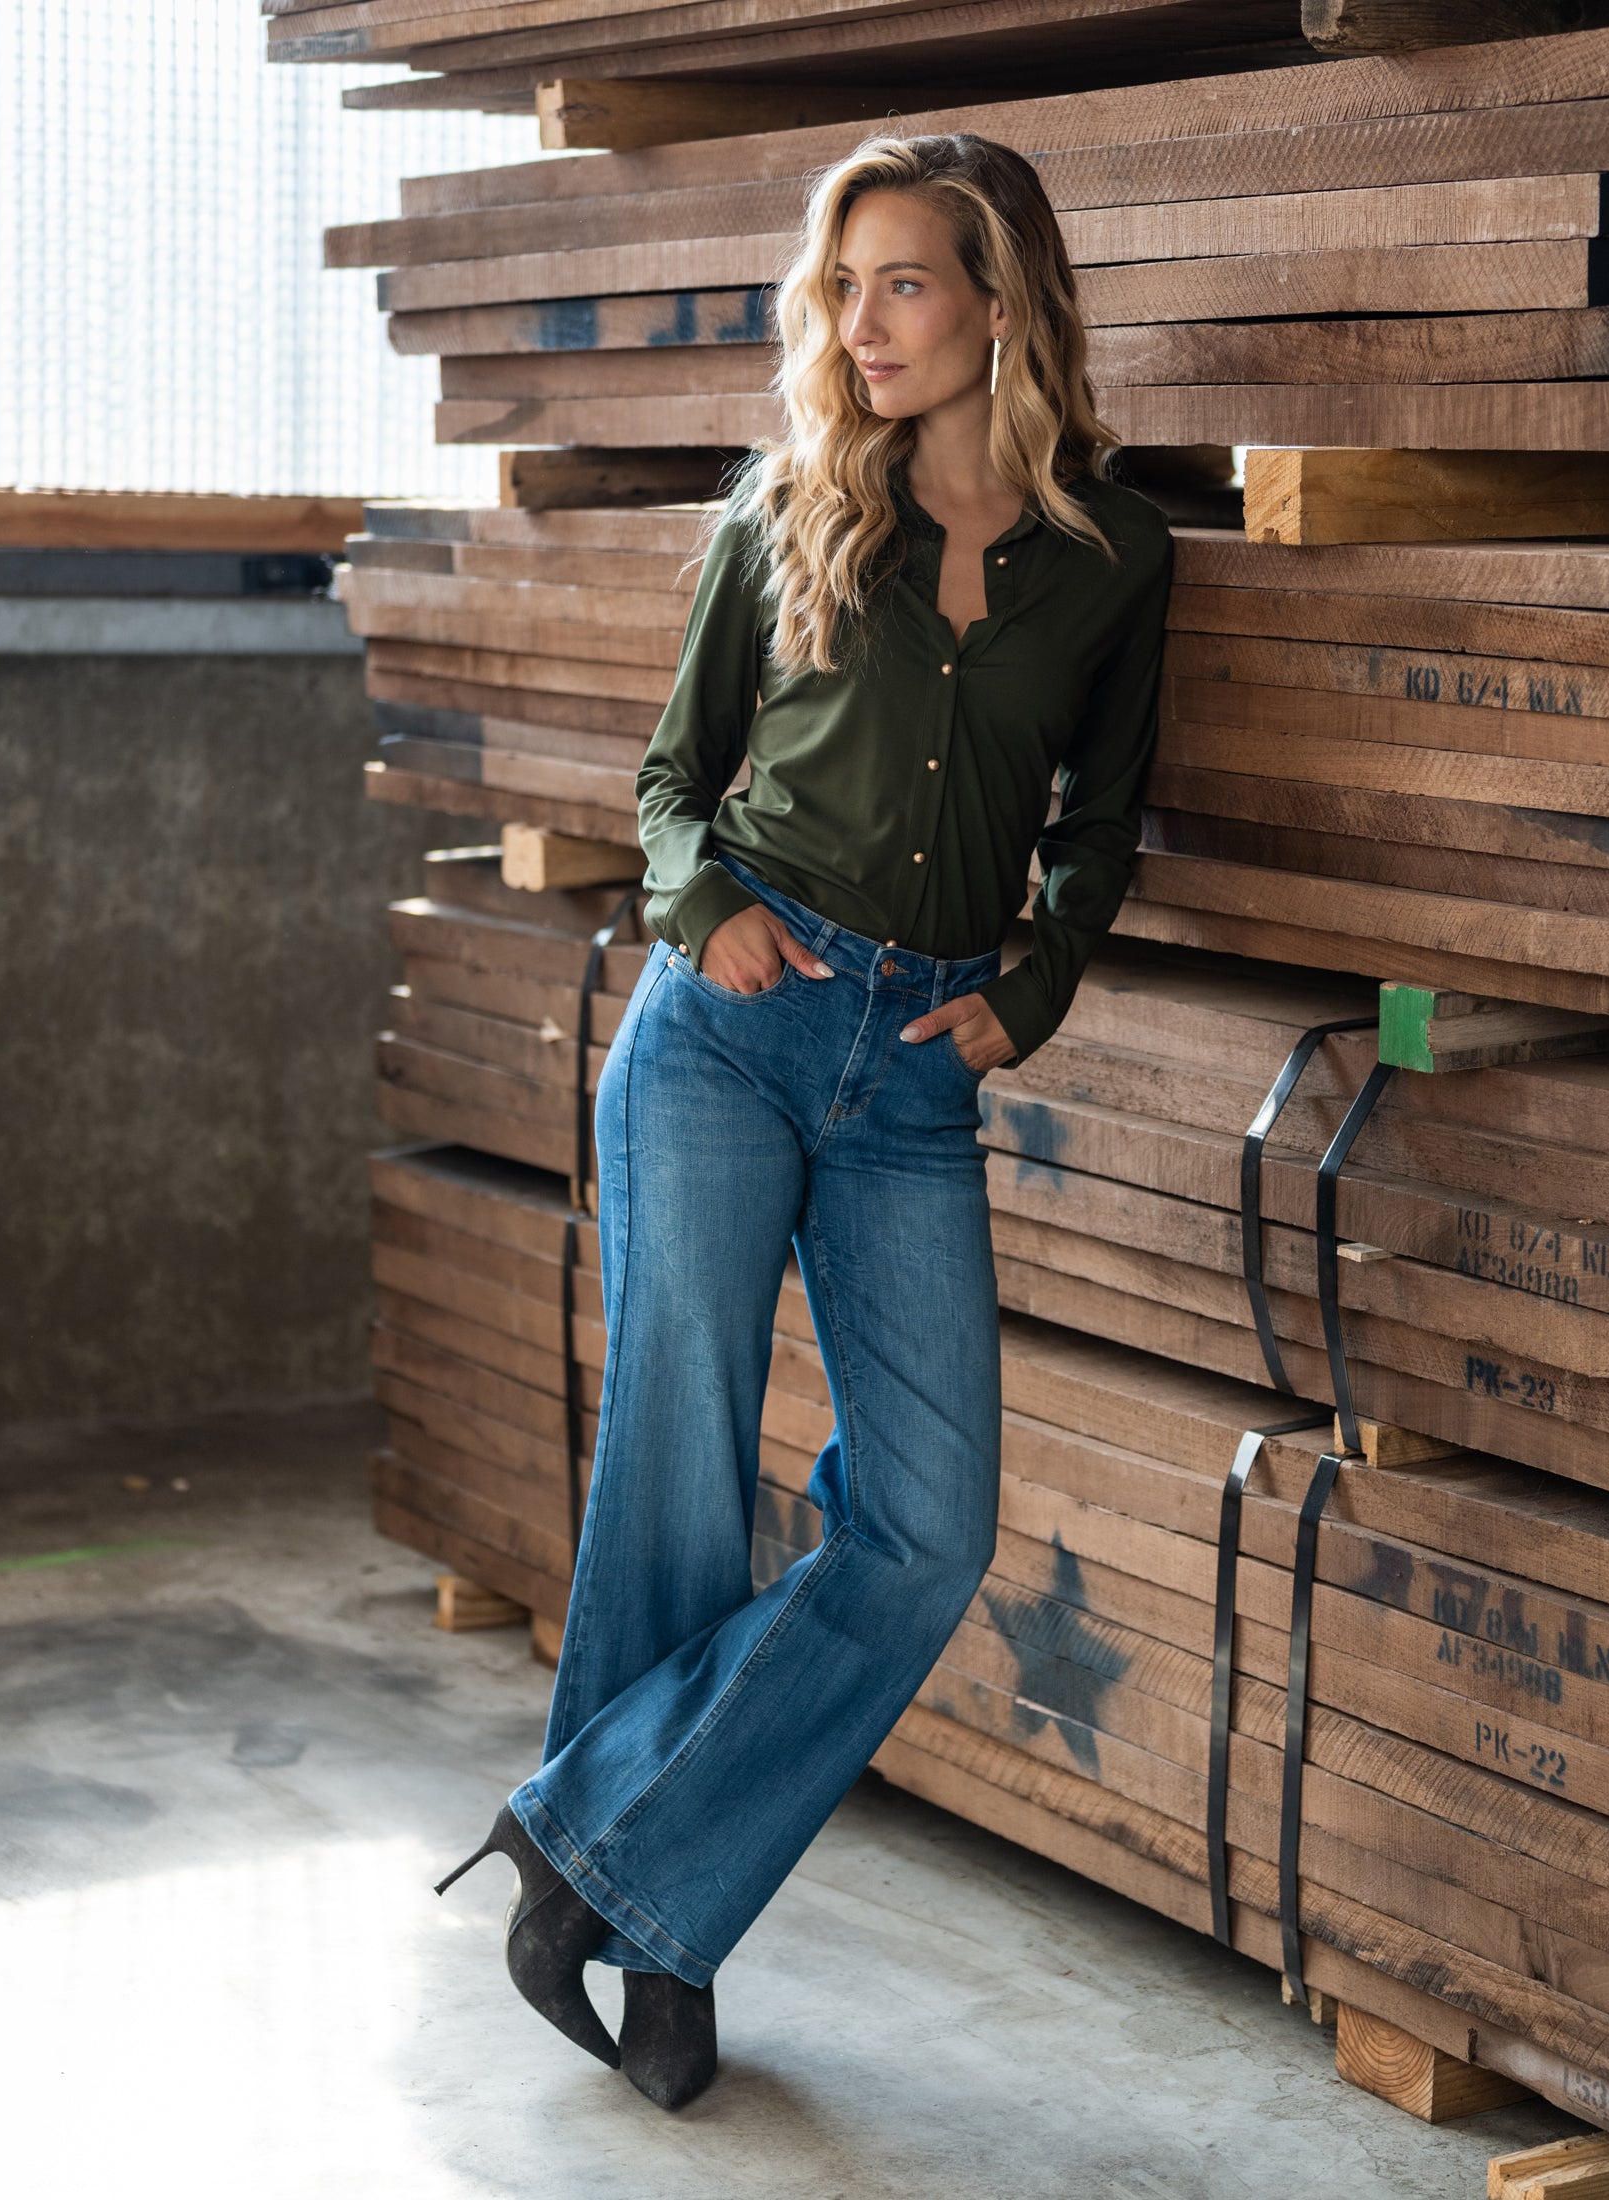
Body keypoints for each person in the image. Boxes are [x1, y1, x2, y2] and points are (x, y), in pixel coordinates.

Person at [435, 129, 1174, 2112]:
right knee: (675, 1474)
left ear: (998, 301)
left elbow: (1100, 829)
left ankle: (577, 1847)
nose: (859, 325)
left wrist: (1023, 993)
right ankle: (663, 1938)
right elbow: (674, 780)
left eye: (904, 282)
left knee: (925, 1531)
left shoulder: (1112, 560)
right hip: (724, 1034)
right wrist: (712, 910)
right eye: (841, 286)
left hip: (914, 1075)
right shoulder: (782, 512)